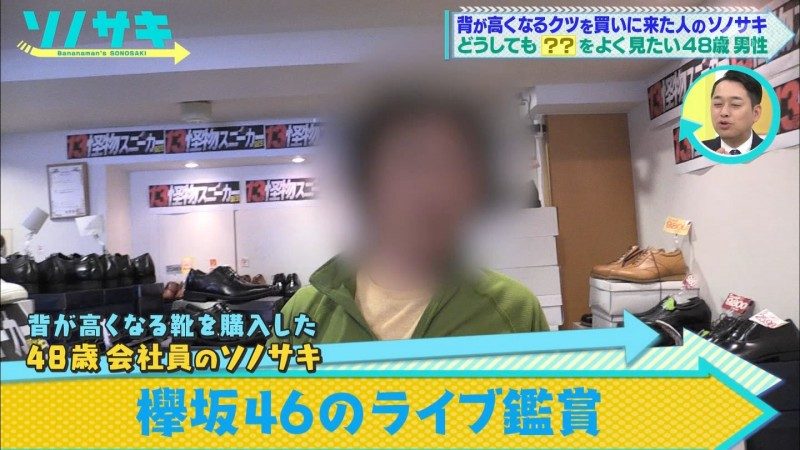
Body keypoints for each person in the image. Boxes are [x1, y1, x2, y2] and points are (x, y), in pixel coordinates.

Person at [272, 85, 549, 345]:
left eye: (451, 168)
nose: (433, 189)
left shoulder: (515, 311)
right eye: (410, 163)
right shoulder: (303, 314)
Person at [702, 70, 764, 155]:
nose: (724, 112)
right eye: (718, 104)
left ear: (755, 113)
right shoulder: (699, 152)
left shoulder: (771, 150)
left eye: (735, 104)